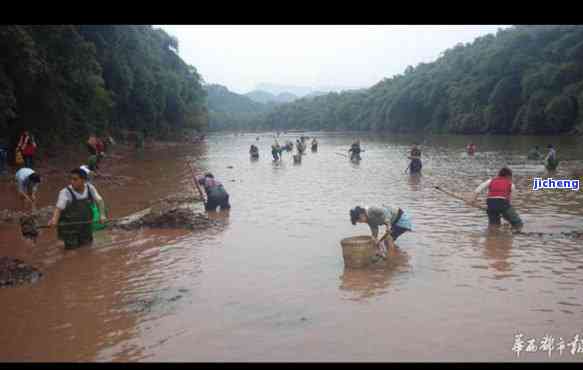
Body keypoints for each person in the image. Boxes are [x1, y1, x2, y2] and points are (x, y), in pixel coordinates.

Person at [48, 168, 107, 250]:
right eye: (71, 179)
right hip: (69, 227)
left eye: (75, 179)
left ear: (83, 180)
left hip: (85, 225)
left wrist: (102, 215)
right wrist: (54, 220)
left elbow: (99, 201)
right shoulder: (65, 192)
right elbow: (58, 208)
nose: (72, 182)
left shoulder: (90, 188)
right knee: (71, 250)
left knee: (87, 246)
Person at [471, 167, 523, 232]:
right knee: (518, 223)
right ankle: (516, 234)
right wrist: (506, 214)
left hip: (491, 205)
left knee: (494, 225)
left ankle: (492, 237)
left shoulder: (491, 181)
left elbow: (478, 190)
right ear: (508, 176)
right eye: (511, 176)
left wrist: (473, 200)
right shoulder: (511, 184)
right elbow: (511, 201)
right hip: (503, 204)